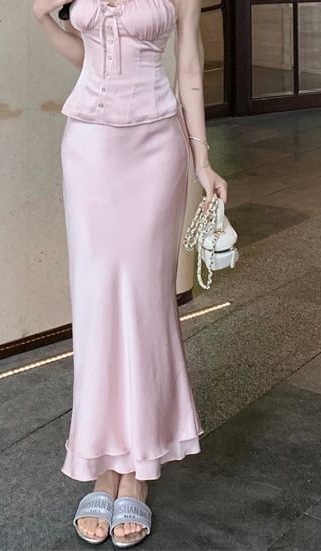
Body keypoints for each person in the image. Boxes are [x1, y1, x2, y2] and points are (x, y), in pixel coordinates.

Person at [33, 0, 228, 546]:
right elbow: (86, 56)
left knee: (145, 304)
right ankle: (102, 464)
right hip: (89, 146)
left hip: (155, 146)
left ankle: (138, 470)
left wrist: (202, 160)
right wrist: (42, 19)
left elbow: (188, 66)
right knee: (95, 304)